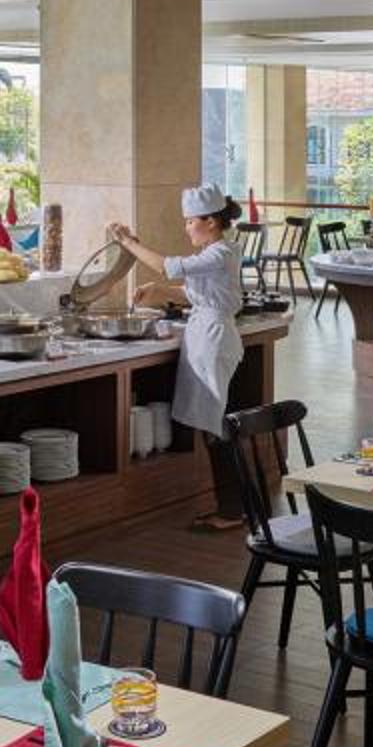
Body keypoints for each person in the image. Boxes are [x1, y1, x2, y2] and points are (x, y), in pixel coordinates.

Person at [107, 186, 247, 532]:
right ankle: (233, 507)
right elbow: (195, 291)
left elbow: (168, 266)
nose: (186, 228)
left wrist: (128, 242)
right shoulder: (215, 253)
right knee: (213, 424)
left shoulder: (221, 251)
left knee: (216, 426)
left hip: (213, 340)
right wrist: (157, 291)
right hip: (206, 336)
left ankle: (232, 511)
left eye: (190, 221)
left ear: (211, 222)